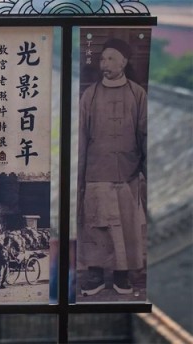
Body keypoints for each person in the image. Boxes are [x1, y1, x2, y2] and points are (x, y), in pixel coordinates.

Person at [77, 38, 147, 296]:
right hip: (96, 173)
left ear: (124, 62)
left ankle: (122, 276)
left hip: (127, 174)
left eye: (110, 58)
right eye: (101, 58)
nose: (103, 64)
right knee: (97, 226)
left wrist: (143, 171)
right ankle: (95, 276)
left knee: (125, 227)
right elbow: (81, 138)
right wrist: (80, 177)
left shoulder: (137, 94)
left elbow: (145, 135)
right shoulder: (90, 95)